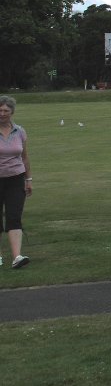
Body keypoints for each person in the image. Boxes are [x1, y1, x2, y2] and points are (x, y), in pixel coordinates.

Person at [0, 95, 32, 269]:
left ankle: (16, 256)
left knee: (14, 216)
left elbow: (25, 157)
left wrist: (29, 179)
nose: (2, 113)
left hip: (16, 178)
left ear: (12, 112)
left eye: (6, 110)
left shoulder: (19, 131)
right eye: (0, 110)